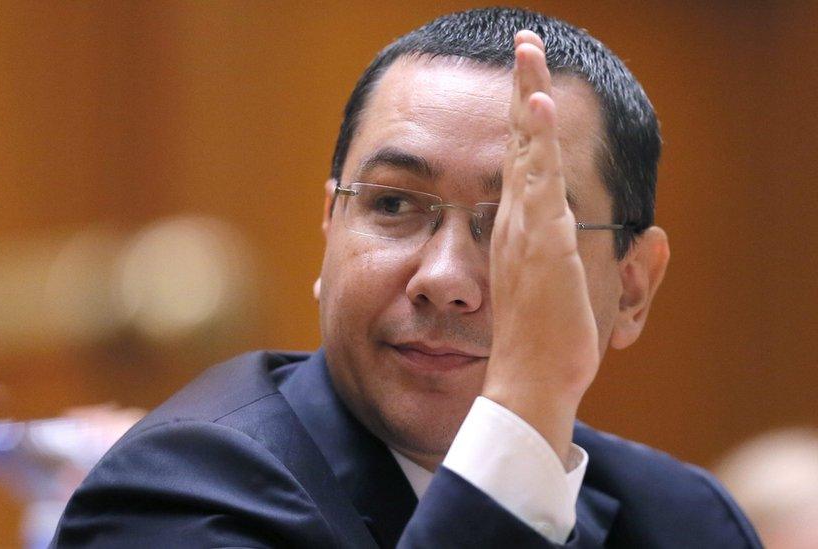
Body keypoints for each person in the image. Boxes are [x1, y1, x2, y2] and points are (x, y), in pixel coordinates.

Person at [53, 8, 761, 547]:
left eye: (516, 222)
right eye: (393, 205)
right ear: (330, 227)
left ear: (632, 287)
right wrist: (522, 409)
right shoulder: (180, 493)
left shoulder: (685, 521)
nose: (446, 277)